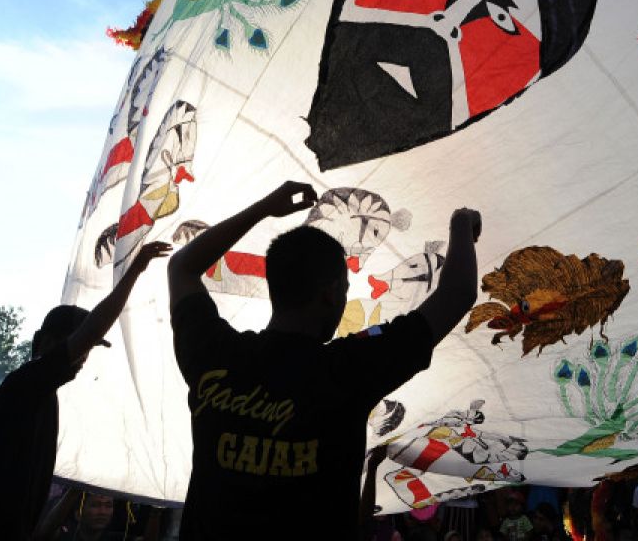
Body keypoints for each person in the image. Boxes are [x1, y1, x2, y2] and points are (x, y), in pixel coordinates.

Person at [167, 181, 480, 540]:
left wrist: (264, 207)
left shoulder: (214, 356)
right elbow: (457, 293)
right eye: (346, 290)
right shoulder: (348, 370)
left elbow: (182, 267)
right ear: (331, 293)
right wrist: (461, 222)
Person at [0, 241, 170, 540]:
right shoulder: (25, 383)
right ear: (47, 342)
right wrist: (135, 270)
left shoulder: (36, 396)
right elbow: (94, 328)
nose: (83, 358)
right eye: (81, 346)